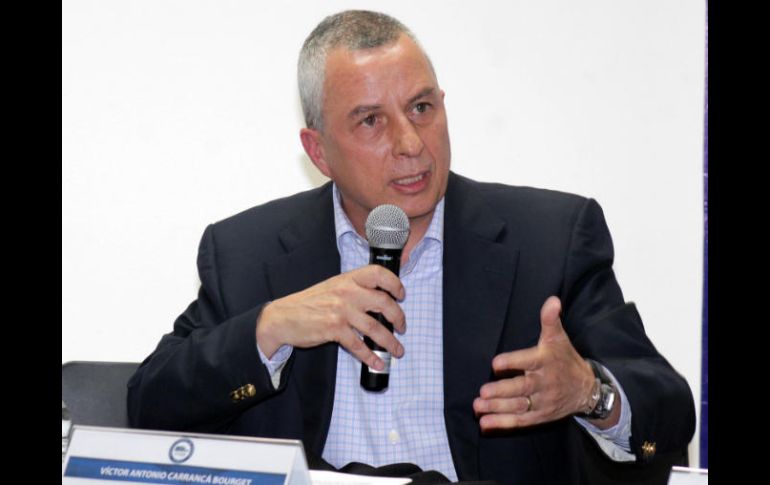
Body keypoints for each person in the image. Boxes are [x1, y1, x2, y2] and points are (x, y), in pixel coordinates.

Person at [127, 10, 695, 484]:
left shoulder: (550, 239)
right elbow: (149, 405)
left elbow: (669, 411)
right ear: (318, 151)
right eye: (370, 121)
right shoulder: (248, 252)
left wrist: (590, 393)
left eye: (422, 108)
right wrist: (269, 328)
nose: (410, 143)